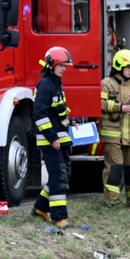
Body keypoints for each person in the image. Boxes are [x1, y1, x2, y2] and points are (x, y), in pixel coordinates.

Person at [32, 46, 75, 229]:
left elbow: (57, 111)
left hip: (60, 137)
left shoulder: (56, 83)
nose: (64, 68)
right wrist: (51, 138)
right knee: (58, 177)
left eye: (65, 65)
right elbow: (40, 114)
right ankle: (59, 218)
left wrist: (70, 121)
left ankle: (40, 208)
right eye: (62, 65)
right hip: (51, 141)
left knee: (63, 175)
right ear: (52, 65)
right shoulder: (45, 85)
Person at [99, 49, 130, 206]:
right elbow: (100, 103)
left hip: (129, 135)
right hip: (112, 134)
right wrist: (121, 107)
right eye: (128, 67)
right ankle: (111, 201)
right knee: (114, 168)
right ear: (119, 66)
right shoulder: (106, 84)